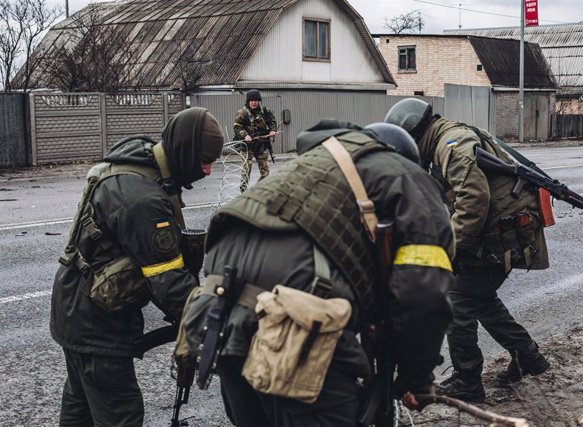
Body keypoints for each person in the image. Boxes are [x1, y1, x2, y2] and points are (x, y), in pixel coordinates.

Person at [192, 120, 455, 426]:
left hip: (220, 307)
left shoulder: (312, 166)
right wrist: (415, 378)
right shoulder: (407, 175)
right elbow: (422, 295)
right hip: (294, 311)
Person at [50, 107, 224, 426]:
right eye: (204, 161)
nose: (208, 171)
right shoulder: (143, 199)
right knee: (121, 414)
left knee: (81, 410)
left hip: (74, 308)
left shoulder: (140, 162)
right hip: (95, 324)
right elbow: (168, 281)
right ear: (184, 151)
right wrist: (213, 322)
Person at [385, 98, 551, 403]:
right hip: (503, 226)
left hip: (505, 231)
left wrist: (448, 250)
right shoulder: (444, 140)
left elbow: (473, 201)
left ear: (414, 136)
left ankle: (467, 381)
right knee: (481, 298)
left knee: (456, 300)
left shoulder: (451, 144)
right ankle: (528, 356)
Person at [233, 89, 278, 192]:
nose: (254, 102)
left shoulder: (265, 111)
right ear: (248, 101)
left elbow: (272, 120)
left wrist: (272, 130)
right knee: (246, 168)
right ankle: (243, 191)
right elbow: (237, 127)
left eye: (256, 100)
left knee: (264, 168)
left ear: (259, 101)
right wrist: (245, 135)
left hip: (261, 144)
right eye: (252, 100)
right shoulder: (242, 113)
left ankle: (265, 191)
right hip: (247, 145)